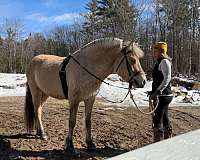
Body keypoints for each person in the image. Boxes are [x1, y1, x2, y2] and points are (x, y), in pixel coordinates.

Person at [149, 42, 173, 142]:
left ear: (161, 51)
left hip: (163, 96)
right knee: (164, 117)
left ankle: (157, 144)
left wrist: (158, 91)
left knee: (157, 119)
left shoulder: (164, 62)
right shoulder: (160, 61)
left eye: (155, 51)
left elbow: (167, 78)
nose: (153, 53)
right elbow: (159, 79)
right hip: (162, 95)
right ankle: (168, 141)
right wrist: (153, 91)